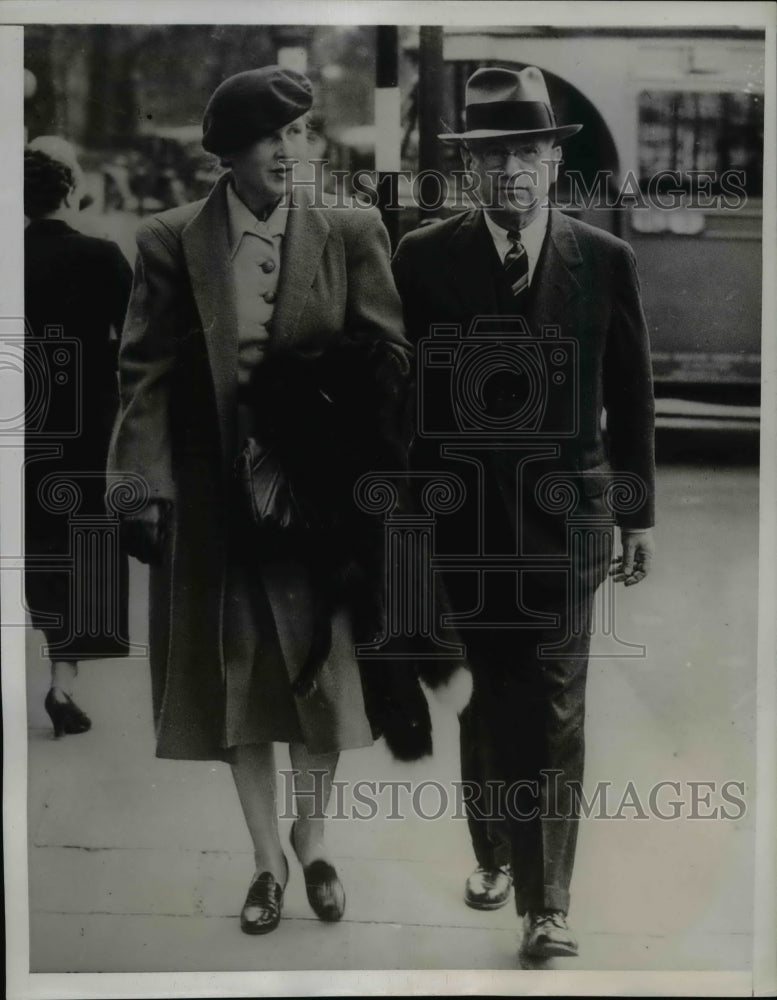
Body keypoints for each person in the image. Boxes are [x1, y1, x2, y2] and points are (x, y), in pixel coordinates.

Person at [107, 66, 411, 935]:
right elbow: (145, 375)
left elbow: (392, 358)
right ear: (231, 152)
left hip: (321, 506)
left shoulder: (352, 229)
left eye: (300, 134)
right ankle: (264, 862)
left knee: (321, 678)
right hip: (217, 507)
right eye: (271, 138)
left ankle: (314, 845)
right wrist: (138, 491)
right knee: (241, 681)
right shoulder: (171, 238)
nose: (289, 151)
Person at [392, 66, 656, 961]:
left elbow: (632, 392)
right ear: (469, 168)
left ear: (552, 159)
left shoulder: (602, 259)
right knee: (485, 704)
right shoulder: (422, 258)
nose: (510, 170)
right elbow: (408, 404)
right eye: (491, 155)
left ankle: (547, 906)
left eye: (525, 152)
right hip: (460, 522)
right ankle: (494, 850)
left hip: (563, 521)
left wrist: (635, 512)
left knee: (552, 706)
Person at [24, 139, 133, 737]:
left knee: (35, 544)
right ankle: (63, 680)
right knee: (86, 548)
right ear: (71, 188)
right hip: (89, 427)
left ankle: (55, 662)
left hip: (23, 428)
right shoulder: (100, 255)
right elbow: (141, 335)